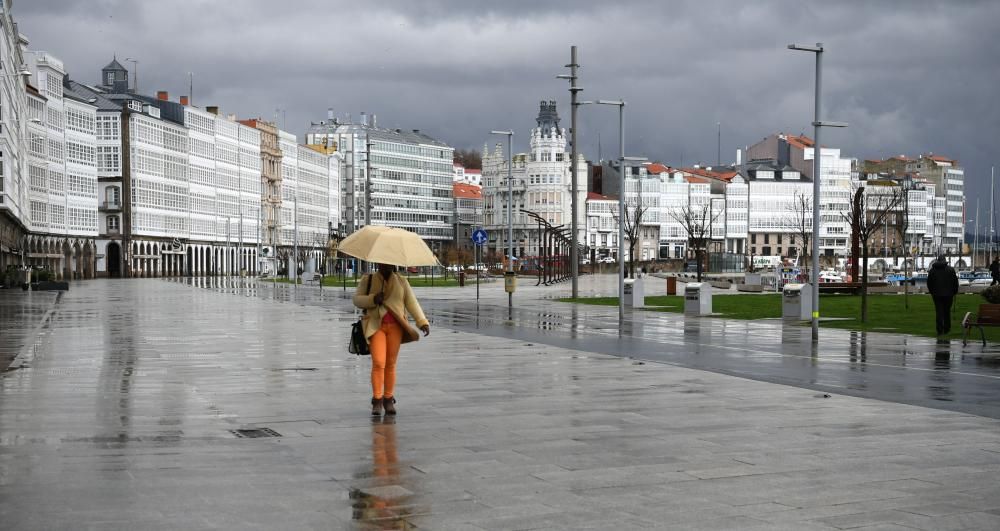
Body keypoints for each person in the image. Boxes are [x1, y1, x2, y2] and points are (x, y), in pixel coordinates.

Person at [353, 263, 430, 416]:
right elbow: (356, 300)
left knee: (390, 363)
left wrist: (422, 322)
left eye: (388, 264)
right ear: (378, 263)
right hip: (376, 326)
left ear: (393, 265)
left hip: (396, 327)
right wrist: (373, 299)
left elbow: (412, 303)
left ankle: (388, 399)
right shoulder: (368, 280)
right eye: (381, 263)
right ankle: (377, 400)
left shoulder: (402, 281)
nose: (385, 266)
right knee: (379, 362)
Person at [926, 255, 959, 336]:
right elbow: (955, 282)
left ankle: (939, 330)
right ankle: (947, 329)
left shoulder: (932, 270)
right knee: (947, 312)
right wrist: (954, 292)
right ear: (945, 260)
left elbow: (929, 283)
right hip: (948, 294)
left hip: (936, 294)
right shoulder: (950, 270)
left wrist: (932, 291)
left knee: (939, 312)